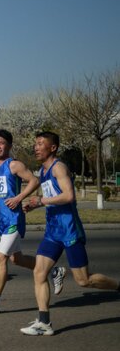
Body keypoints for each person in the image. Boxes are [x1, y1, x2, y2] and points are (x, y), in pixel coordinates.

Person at [20, 131, 120, 335]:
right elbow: (50, 195)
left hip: (69, 231)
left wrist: (42, 201)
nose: (36, 147)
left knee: (84, 280)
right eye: (35, 144)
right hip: (53, 232)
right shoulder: (44, 170)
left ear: (53, 147)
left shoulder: (59, 167)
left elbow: (68, 196)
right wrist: (35, 204)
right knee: (39, 272)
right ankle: (44, 323)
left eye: (40, 143)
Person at [0, 129, 65, 313]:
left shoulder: (14, 165)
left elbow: (34, 181)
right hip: (1, 220)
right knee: (17, 259)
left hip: (14, 218)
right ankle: (54, 271)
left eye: (2, 143)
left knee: (0, 258)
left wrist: (18, 198)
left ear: (9, 145)